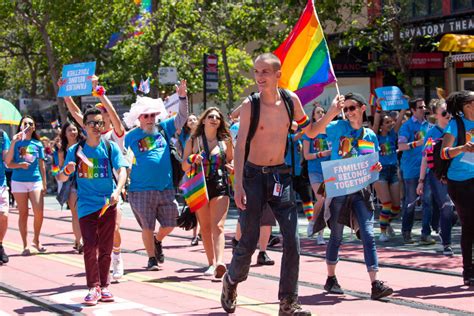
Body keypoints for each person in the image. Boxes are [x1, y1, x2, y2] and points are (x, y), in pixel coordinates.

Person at [221, 53, 321, 315]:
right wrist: (239, 185)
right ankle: (231, 279)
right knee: (250, 239)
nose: (260, 77)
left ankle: (288, 301)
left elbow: (309, 130)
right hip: (253, 177)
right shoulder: (249, 105)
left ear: (278, 75)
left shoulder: (291, 100)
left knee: (292, 239)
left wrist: (332, 111)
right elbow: (240, 146)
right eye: (257, 72)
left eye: (265, 72)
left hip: (281, 175)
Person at [314, 93, 393, 300]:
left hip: (361, 192)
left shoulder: (370, 136)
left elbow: (372, 163)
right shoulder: (338, 128)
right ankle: (331, 278)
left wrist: (377, 167)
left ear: (362, 108)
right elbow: (316, 131)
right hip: (338, 191)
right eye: (345, 109)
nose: (348, 112)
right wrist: (332, 110)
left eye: (352, 108)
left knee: (368, 235)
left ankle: (375, 283)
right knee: (336, 236)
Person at [57, 107, 128, 305]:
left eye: (99, 123)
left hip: (108, 204)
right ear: (84, 126)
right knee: (90, 246)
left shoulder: (109, 147)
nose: (97, 127)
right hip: (87, 205)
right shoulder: (76, 150)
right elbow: (61, 176)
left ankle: (104, 286)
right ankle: (92, 287)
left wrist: (117, 190)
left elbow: (122, 170)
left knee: (105, 247)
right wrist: (67, 170)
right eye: (92, 123)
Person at [124, 80, 188, 271]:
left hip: (166, 188)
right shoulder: (131, 136)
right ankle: (151, 258)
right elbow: (123, 160)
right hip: (140, 189)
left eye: (153, 115)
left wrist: (182, 97)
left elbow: (182, 117)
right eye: (146, 116)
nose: (150, 119)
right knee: (147, 226)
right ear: (139, 118)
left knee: (171, 222)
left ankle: (157, 241)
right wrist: (123, 180)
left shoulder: (163, 129)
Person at [182, 107, 233, 278]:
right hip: (199, 186)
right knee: (205, 227)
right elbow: (184, 165)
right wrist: (192, 159)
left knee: (218, 225)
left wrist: (232, 168)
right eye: (210, 116)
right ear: (203, 120)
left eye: (217, 117)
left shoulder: (225, 142)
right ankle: (211, 263)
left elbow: (231, 161)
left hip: (220, 184)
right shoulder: (194, 141)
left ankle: (220, 262)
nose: (214, 119)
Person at [441, 91, 474, 285]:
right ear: (467, 105)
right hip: (459, 181)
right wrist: (462, 148)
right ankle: (468, 271)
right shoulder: (456, 124)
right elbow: (444, 153)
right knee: (469, 225)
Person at [416, 100, 454, 256]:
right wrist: (421, 181)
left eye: (450, 112)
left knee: (455, 210)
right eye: (444, 113)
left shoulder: (455, 130)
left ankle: (438, 225)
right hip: (437, 175)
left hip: (456, 173)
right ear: (436, 115)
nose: (448, 115)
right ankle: (447, 244)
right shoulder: (432, 134)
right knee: (447, 206)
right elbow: (425, 158)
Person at [5, 116, 47, 255]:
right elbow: (8, 163)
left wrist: (44, 183)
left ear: (34, 127)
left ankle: (36, 239)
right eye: (25, 123)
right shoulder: (16, 143)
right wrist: (13, 143)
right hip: (19, 181)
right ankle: (25, 244)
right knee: (23, 213)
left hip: (35, 180)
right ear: (21, 126)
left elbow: (42, 165)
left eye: (31, 123)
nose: (28, 125)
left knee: (39, 212)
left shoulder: (38, 144)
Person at [398, 98, 433, 244]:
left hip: (427, 170)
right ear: (412, 110)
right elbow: (401, 146)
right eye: (420, 107)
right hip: (411, 170)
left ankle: (426, 233)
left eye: (424, 106)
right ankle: (406, 231)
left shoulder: (430, 126)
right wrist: (416, 143)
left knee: (427, 201)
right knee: (411, 202)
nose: (423, 109)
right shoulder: (406, 126)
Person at [371, 99, 405, 242]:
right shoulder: (375, 137)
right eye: (387, 122)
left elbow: (401, 117)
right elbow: (375, 123)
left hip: (393, 169)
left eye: (391, 122)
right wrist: (378, 107)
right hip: (381, 171)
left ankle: (387, 222)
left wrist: (404, 104)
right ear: (381, 126)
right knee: (386, 204)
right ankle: (383, 232)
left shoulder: (392, 134)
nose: (391, 124)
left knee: (396, 207)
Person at [303, 107, 331, 245]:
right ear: (313, 116)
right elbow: (306, 155)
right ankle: (313, 221)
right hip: (315, 170)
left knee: (327, 203)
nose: (321, 114)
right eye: (318, 112)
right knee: (321, 198)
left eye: (323, 111)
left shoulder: (331, 131)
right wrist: (321, 154)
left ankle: (320, 233)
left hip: (329, 170)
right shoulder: (310, 133)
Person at [58, 120, 86, 253]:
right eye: (69, 130)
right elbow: (60, 169)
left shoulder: (85, 144)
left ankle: (80, 238)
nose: (73, 132)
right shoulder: (63, 149)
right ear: (65, 133)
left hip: (86, 181)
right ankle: (79, 241)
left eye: (74, 129)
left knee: (85, 213)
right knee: (75, 213)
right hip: (71, 182)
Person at [176, 114, 200, 246]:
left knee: (200, 204)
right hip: (189, 172)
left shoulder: (203, 135)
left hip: (201, 171)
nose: (192, 121)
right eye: (190, 120)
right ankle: (196, 233)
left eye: (195, 119)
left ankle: (198, 233)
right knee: (194, 203)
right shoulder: (183, 137)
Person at [0, 128, 11, 265]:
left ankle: (0, 244)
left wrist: (14, 143)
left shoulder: (2, 135)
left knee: (4, 215)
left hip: (1, 182)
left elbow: (6, 159)